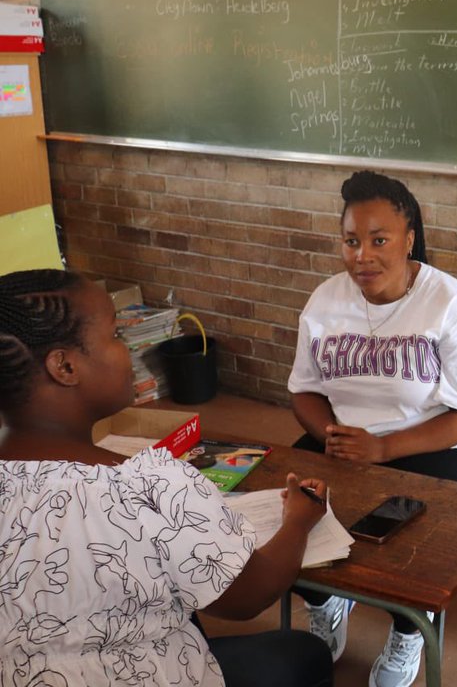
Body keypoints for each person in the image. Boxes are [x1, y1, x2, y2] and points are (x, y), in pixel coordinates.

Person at [0, 268, 332, 687]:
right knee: (303, 655)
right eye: (116, 335)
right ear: (64, 366)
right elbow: (251, 595)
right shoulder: (147, 486)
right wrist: (299, 522)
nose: (132, 351)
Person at [287, 169, 457, 687]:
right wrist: (329, 434)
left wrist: (383, 448)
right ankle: (324, 599)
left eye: (379, 240)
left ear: (409, 239)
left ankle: (409, 631)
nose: (363, 256)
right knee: (284, 506)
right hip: (348, 441)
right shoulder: (325, 301)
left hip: (433, 441)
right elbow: (304, 390)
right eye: (352, 241)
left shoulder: (452, 304)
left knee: (413, 536)